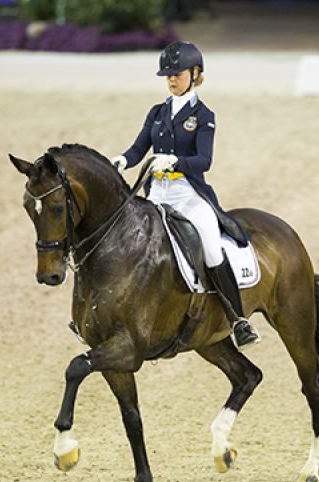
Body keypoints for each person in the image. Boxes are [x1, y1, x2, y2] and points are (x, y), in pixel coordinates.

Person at [110, 41, 260, 350]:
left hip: (187, 193)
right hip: (156, 192)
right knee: (122, 237)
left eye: (177, 74)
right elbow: (140, 148)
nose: (171, 79)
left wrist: (176, 162)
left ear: (195, 74)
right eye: (167, 75)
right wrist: (123, 161)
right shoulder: (157, 112)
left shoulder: (203, 115)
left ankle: (238, 320)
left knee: (210, 244)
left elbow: (205, 161)